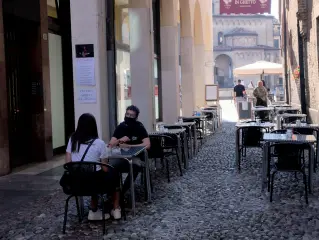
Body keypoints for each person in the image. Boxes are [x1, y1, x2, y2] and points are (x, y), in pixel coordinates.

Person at [65, 113, 121, 221]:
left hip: (75, 182)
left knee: (91, 175)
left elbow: (68, 162)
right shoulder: (100, 143)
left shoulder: (72, 140)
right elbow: (104, 169)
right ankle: (115, 208)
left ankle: (94, 210)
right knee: (113, 173)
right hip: (94, 183)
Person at [108, 105, 151, 195]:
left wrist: (129, 145)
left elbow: (147, 145)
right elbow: (110, 145)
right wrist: (120, 140)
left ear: (136, 117)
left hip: (136, 157)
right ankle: (113, 193)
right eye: (127, 114)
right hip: (121, 157)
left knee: (134, 167)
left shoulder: (139, 127)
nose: (128, 117)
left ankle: (123, 191)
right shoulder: (121, 127)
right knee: (110, 167)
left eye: (131, 115)